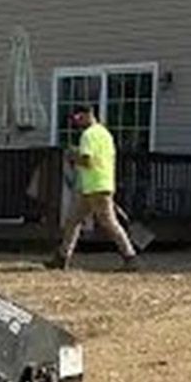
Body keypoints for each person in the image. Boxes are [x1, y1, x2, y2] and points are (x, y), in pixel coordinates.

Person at [53, 105, 137, 270]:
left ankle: (130, 256)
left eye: (77, 118)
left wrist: (72, 155)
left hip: (95, 186)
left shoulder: (88, 135)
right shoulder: (105, 134)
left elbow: (87, 161)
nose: (76, 122)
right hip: (96, 185)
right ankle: (62, 257)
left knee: (109, 223)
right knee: (73, 220)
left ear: (86, 115)